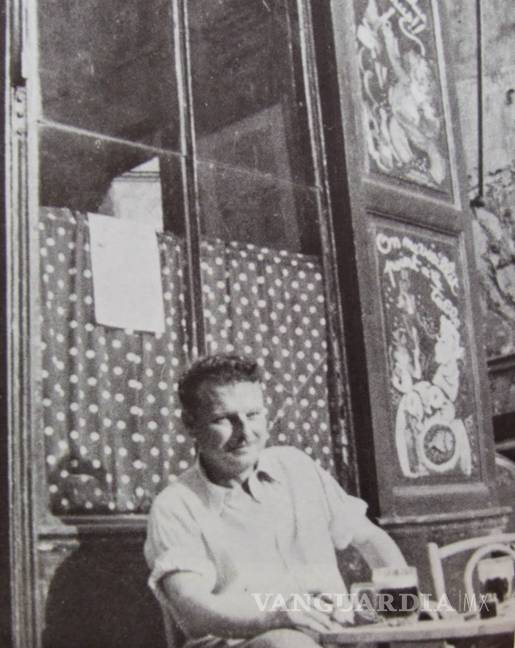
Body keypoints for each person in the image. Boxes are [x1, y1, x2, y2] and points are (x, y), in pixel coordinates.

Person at [145, 354, 407, 648]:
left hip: (332, 637)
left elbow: (369, 538)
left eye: (253, 415)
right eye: (223, 419)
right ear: (190, 424)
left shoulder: (296, 467)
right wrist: (271, 619)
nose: (245, 433)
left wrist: (402, 606)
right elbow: (192, 608)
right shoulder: (175, 505)